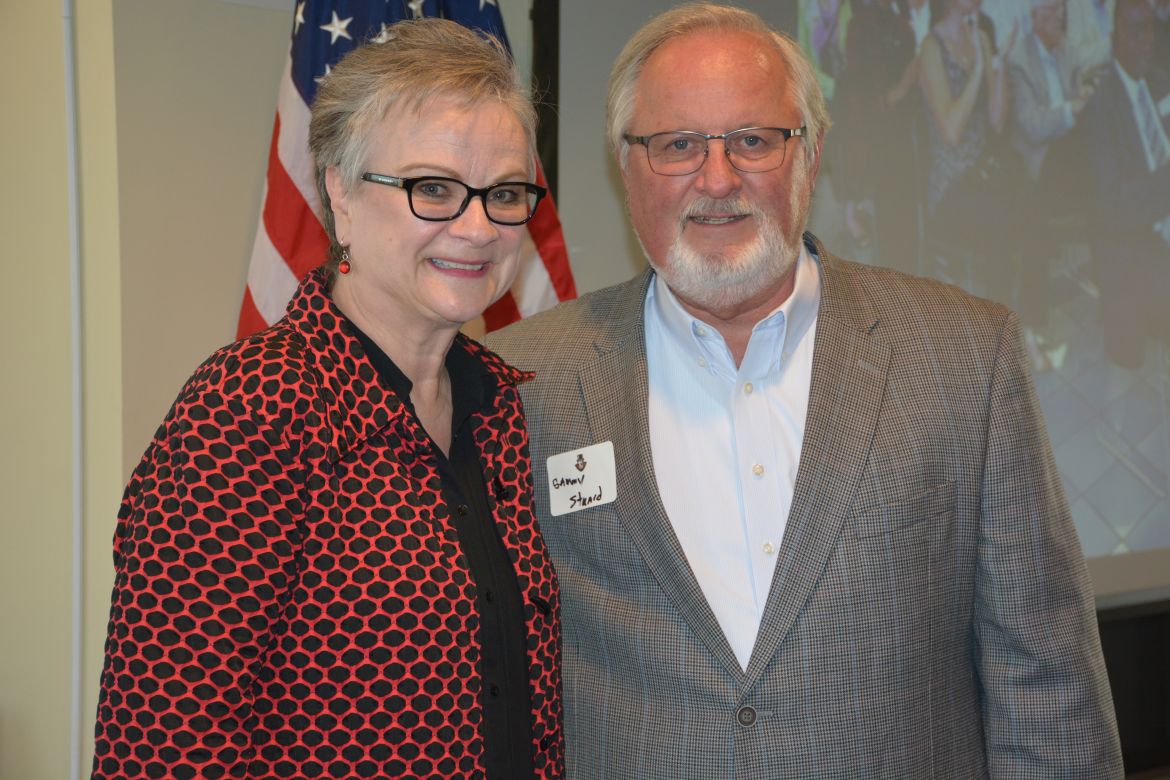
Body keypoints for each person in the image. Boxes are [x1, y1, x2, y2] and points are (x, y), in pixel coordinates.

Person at [487, 4, 1121, 777]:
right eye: (678, 144)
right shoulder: (521, 381)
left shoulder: (964, 357)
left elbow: (1047, 690)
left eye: (753, 141)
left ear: (810, 158)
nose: (717, 179)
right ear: (627, 168)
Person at [91, 19, 563, 779]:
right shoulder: (254, 408)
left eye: (503, 193)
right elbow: (163, 744)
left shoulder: (503, 407)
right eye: (433, 188)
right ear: (340, 192)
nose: (478, 227)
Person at [1078, 0, 1170, 369]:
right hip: (1136, 244)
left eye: (1150, 28)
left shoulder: (1157, 80)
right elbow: (1113, 206)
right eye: (1136, 31)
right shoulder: (1100, 110)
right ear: (1116, 38)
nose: (1148, 40)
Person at [918, 0, 1019, 306]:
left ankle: (1026, 316)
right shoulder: (931, 48)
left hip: (981, 175)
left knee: (1024, 197)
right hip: (950, 184)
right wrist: (977, 71)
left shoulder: (981, 37)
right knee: (1001, 216)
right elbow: (951, 131)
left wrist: (1001, 62)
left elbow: (997, 120)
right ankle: (997, 319)